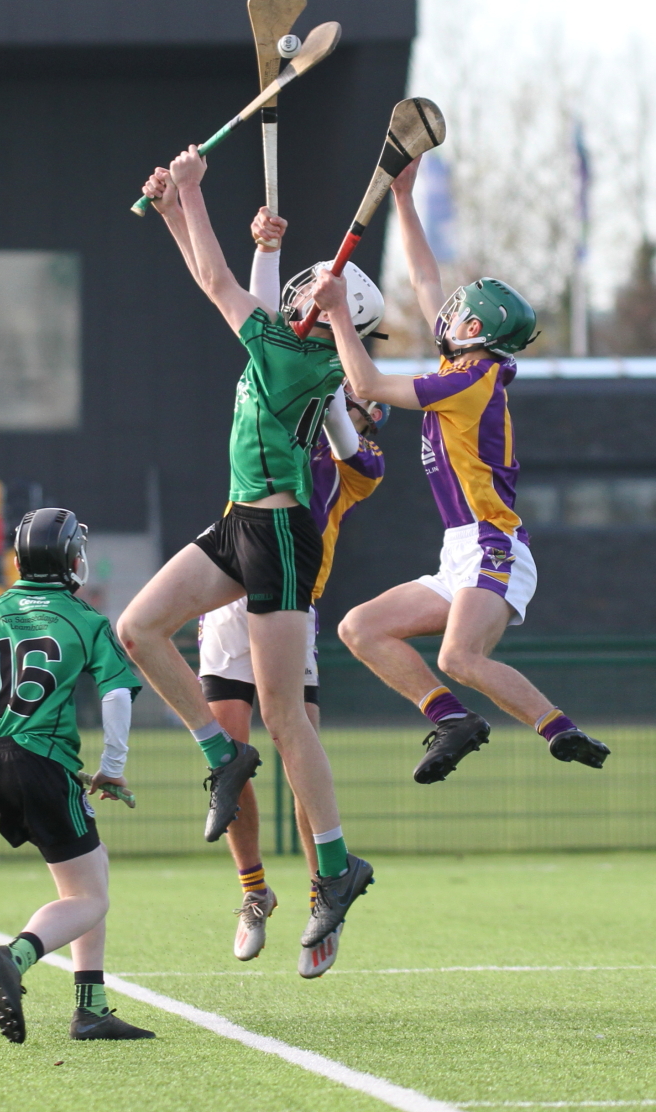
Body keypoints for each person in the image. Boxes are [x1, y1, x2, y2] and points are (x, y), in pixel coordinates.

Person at [118, 148, 377, 956]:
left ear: (331, 316)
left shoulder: (298, 353)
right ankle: (218, 752)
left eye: (311, 292)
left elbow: (219, 283)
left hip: (278, 537)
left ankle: (334, 868)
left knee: (285, 718)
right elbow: (219, 279)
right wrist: (173, 210)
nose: (298, 292)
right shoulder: (284, 341)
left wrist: (191, 193)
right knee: (138, 629)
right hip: (235, 521)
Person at [312, 155, 610, 783]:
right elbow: (423, 279)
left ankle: (559, 729)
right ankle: (453, 721)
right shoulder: (462, 368)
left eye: (456, 311)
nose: (442, 312)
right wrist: (404, 198)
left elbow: (363, 380)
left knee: (459, 654)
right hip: (460, 550)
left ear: (473, 327)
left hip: (493, 542)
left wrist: (338, 312)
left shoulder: (469, 379)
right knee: (361, 628)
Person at [196, 208, 387, 976]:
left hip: (288, 591)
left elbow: (363, 461)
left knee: (294, 741)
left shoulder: (339, 449)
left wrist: (352, 408)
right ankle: (252, 890)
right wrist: (266, 247)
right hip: (231, 579)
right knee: (230, 750)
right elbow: (258, 313)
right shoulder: (281, 358)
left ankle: (322, 892)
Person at [0, 508, 155, 1045]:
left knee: (88, 868)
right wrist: (113, 768)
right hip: (40, 759)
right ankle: (16, 956)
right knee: (89, 898)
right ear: (71, 559)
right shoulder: (83, 617)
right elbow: (117, 693)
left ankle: (91, 1007)